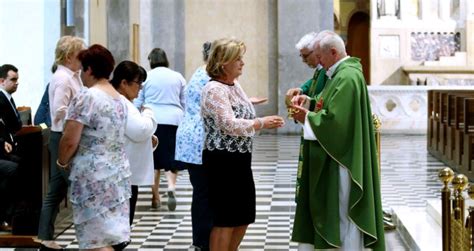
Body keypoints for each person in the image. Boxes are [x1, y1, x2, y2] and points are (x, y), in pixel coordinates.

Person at [289, 31, 385, 250]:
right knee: (338, 214)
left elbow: (337, 123)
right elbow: (330, 107)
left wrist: (307, 118)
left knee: (343, 214)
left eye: (320, 57)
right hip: (339, 155)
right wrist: (311, 104)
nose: (319, 63)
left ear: (333, 52)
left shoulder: (347, 76)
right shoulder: (340, 73)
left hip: (343, 161)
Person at [201, 38, 285, 251]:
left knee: (243, 215)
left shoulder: (234, 85)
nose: (242, 63)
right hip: (221, 160)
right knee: (225, 218)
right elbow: (227, 123)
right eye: (237, 58)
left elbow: (234, 106)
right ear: (223, 62)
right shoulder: (213, 89)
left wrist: (249, 102)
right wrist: (261, 123)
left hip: (239, 159)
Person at [57, 44, 131, 250]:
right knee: (111, 237)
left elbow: (70, 139)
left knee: (94, 239)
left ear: (89, 70)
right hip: (117, 172)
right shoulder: (120, 99)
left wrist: (61, 161)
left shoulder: (87, 96)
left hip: (92, 174)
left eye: (82, 69)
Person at [37, 35, 86, 250]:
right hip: (63, 137)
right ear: (68, 57)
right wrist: (78, 120)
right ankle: (89, 238)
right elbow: (59, 111)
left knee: (56, 190)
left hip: (66, 135)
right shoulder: (63, 79)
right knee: (78, 187)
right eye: (80, 54)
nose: (83, 58)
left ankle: (45, 238)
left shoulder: (74, 76)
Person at [134, 48, 186, 211]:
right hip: (174, 119)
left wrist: (136, 116)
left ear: (151, 61)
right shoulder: (177, 76)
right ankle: (171, 186)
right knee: (171, 157)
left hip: (153, 119)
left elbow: (138, 99)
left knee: (153, 160)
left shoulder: (147, 77)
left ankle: (155, 196)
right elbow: (184, 101)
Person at [175, 41, 212, 250]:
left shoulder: (202, 73)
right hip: (198, 141)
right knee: (203, 192)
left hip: (194, 139)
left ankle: (202, 240)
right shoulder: (207, 78)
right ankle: (201, 241)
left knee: (202, 192)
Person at [111, 60, 157, 226]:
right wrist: (149, 113)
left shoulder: (124, 102)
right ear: (124, 83)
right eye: (138, 83)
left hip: (125, 172)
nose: (140, 88)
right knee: (121, 226)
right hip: (122, 174)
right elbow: (141, 130)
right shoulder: (123, 103)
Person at [285, 32, 329, 203]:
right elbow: (312, 84)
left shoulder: (328, 71)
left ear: (316, 52)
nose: (304, 61)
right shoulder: (320, 70)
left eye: (305, 56)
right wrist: (301, 90)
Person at [0, 119, 19, 232]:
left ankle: (10, 216)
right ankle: (7, 216)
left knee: (25, 165)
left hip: (4, 155)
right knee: (16, 169)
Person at [0, 64, 22, 136]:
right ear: (2, 81)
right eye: (13, 79)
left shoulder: (8, 98)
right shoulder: (1, 99)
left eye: (17, 79)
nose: (17, 83)